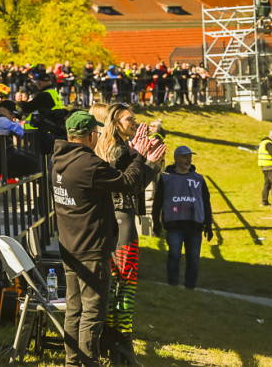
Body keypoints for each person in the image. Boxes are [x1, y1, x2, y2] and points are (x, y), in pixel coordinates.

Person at [51, 110, 164, 367]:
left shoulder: (57, 161)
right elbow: (127, 183)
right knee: (92, 313)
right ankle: (88, 362)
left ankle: (72, 363)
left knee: (74, 310)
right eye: (96, 133)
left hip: (69, 246)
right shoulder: (89, 165)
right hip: (92, 249)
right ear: (90, 136)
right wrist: (141, 157)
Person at [93, 103, 159, 364]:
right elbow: (131, 186)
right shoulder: (119, 151)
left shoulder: (114, 148)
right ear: (115, 123)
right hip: (122, 219)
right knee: (126, 283)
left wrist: (146, 160)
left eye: (134, 118)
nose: (134, 122)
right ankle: (122, 345)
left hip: (115, 219)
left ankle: (113, 343)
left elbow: (132, 183)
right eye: (129, 119)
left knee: (115, 285)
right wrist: (147, 162)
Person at [151, 146, 213, 289]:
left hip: (195, 226)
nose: (188, 159)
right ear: (176, 158)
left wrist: (208, 226)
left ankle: (190, 286)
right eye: (185, 156)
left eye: (190, 156)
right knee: (174, 255)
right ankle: (173, 284)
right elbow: (157, 202)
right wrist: (156, 222)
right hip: (174, 225)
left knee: (194, 259)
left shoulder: (199, 179)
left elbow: (206, 203)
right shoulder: (166, 178)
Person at [258, 129, 272, 207]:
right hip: (270, 166)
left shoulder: (263, 143)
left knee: (267, 184)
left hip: (264, 166)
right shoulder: (269, 144)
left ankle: (264, 201)